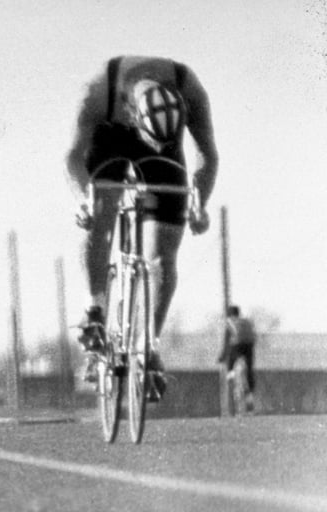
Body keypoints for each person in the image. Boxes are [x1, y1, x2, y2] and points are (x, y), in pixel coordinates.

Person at [66, 56, 219, 401]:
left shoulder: (189, 87)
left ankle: (149, 346)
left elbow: (208, 155)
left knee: (164, 253)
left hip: (165, 153)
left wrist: (199, 202)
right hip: (111, 140)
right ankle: (96, 308)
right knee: (101, 215)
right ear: (135, 114)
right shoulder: (98, 90)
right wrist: (83, 199)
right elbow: (73, 156)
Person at [219, 305, 257, 411]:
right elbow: (253, 335)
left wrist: (222, 356)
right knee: (249, 369)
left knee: (232, 356)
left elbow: (226, 341)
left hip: (237, 345)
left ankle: (231, 374)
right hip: (249, 345)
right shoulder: (246, 321)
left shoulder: (229, 321)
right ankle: (250, 394)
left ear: (230, 314)